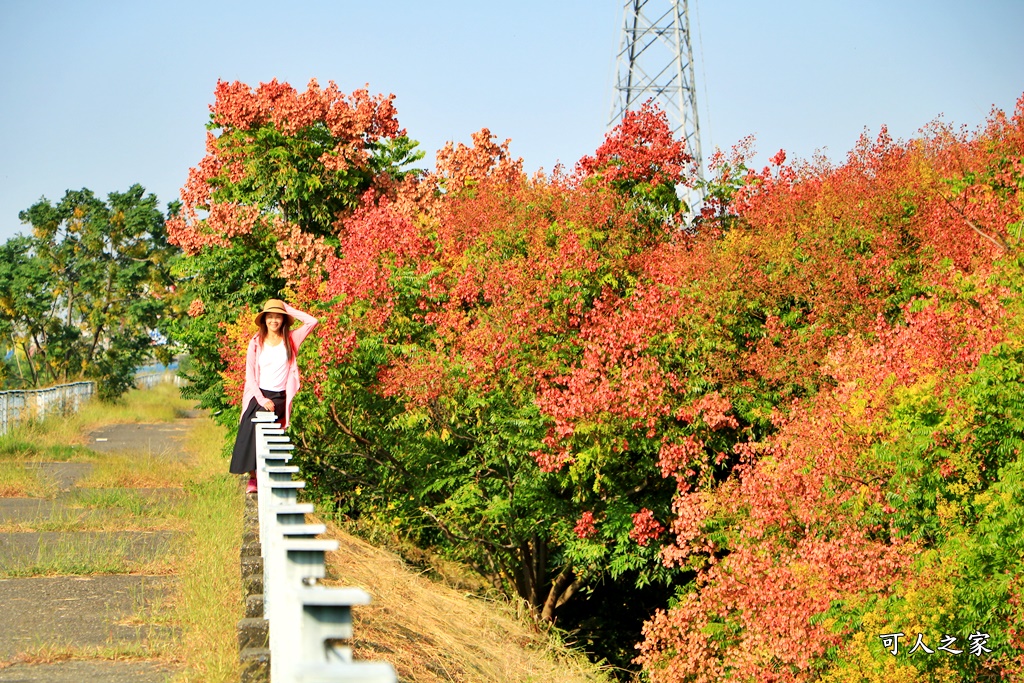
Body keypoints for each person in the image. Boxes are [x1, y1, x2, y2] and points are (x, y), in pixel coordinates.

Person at [229, 299, 318, 493]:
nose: (274, 320)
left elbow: (312, 322)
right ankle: (253, 477)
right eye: (270, 316)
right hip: (258, 394)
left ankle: (261, 475)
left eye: (278, 316)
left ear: (283, 319)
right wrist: (261, 399)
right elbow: (250, 375)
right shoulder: (255, 342)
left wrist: (287, 308)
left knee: (265, 426)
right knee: (249, 425)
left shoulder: (291, 339)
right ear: (264, 320)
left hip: (278, 395)